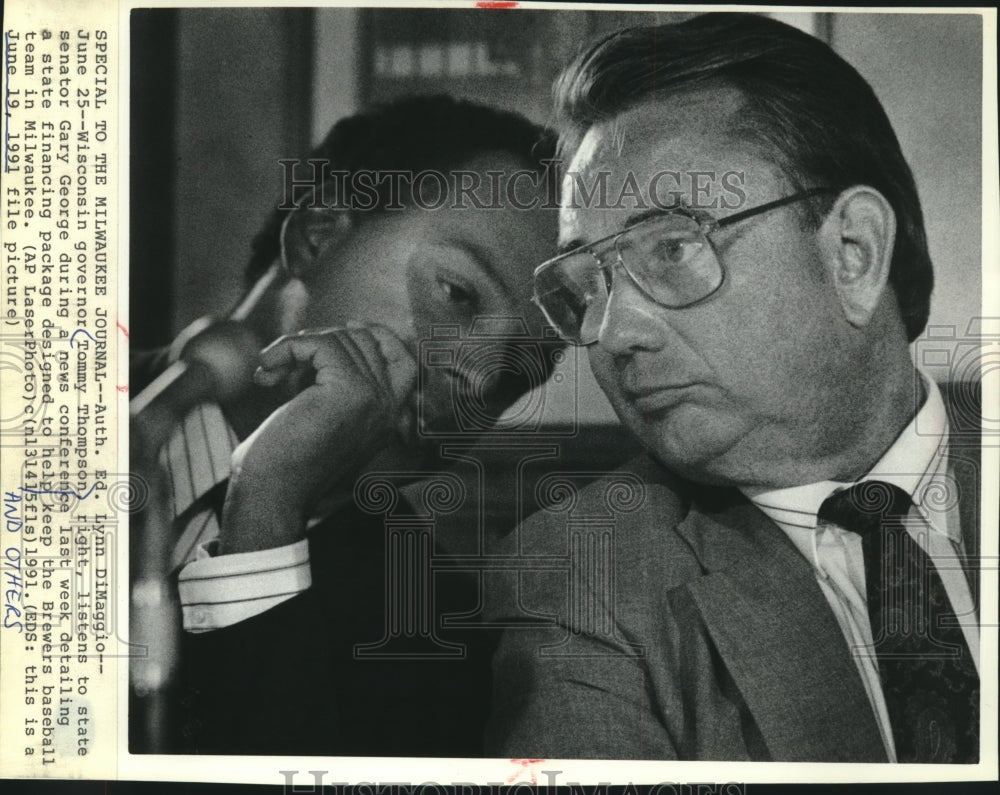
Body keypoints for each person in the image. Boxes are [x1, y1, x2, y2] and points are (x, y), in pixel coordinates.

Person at [487, 14, 981, 763]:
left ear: (853, 252)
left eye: (673, 247)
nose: (616, 333)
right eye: (587, 283)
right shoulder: (587, 576)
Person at [130, 95, 560, 756]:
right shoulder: (48, 407)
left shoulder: (432, 628)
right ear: (318, 236)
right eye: (461, 293)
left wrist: (269, 506)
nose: (478, 382)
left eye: (514, 373)